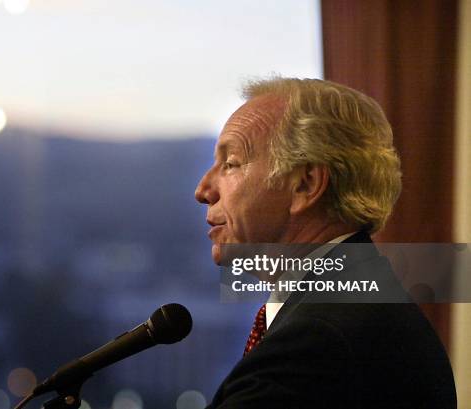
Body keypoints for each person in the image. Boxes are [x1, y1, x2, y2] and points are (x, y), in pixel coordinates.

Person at [194, 77, 457, 408]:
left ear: (305, 184)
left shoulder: (317, 340)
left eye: (230, 164)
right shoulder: (358, 302)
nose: (203, 190)